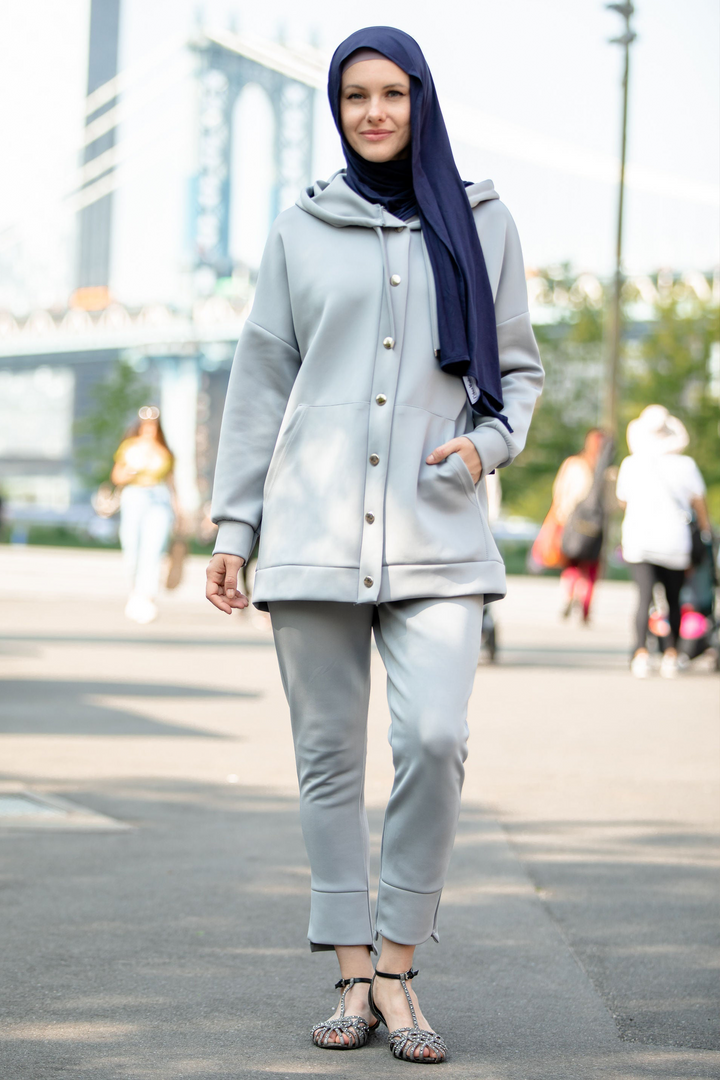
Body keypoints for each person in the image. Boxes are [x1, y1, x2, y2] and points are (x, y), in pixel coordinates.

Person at [206, 27, 543, 1063]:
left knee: (435, 739)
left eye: (393, 92)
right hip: (309, 530)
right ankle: (353, 973)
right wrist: (235, 525)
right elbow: (262, 378)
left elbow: (518, 373)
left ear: (422, 100)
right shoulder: (302, 228)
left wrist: (485, 450)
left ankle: (399, 965)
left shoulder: (482, 221)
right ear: (338, 107)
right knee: (326, 763)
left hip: (436, 527)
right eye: (356, 95)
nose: (375, 112)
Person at [616, 404, 711, 679]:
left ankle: (640, 653)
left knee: (644, 598)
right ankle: (671, 654)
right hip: (675, 541)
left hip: (640, 539)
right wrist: (705, 536)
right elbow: (699, 506)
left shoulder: (631, 464)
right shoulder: (686, 465)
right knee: (673, 598)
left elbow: (623, 500)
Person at [111, 406, 177, 624]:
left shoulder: (164, 451)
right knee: (132, 545)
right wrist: (130, 471)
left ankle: (146, 596)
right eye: (146, 424)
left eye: (153, 424)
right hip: (135, 496)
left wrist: (180, 511)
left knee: (154, 548)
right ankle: (134, 591)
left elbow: (171, 483)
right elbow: (116, 476)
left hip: (158, 498)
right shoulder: (129, 447)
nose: (149, 428)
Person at [551, 429, 607, 622]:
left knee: (578, 564)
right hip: (584, 523)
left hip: (579, 522)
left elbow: (560, 491)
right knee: (581, 565)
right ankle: (579, 603)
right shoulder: (588, 467)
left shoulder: (598, 469)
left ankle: (579, 602)